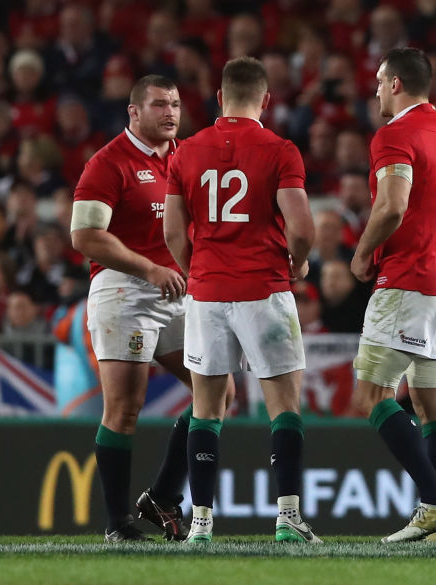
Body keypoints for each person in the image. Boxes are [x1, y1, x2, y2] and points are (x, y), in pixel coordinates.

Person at [163, 56, 319, 543]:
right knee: (284, 405)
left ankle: (202, 523)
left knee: (206, 409)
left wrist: (199, 272)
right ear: (266, 101)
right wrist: (300, 261)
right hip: (265, 289)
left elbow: (171, 232)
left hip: (207, 293)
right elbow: (303, 227)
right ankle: (288, 517)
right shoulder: (279, 149)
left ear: (219, 99)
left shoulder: (184, 152)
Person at [71, 74, 219, 542]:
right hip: (124, 291)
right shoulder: (108, 163)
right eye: (159, 104)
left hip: (176, 290)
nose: (170, 112)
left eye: (175, 103)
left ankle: (160, 496)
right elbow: (86, 237)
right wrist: (148, 269)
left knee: (217, 392)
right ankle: (118, 524)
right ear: (134, 112)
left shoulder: (186, 158)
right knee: (125, 408)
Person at [348, 47, 436, 544]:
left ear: (395, 84)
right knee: (431, 402)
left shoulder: (395, 135)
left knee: (370, 395)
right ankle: (434, 525)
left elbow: (393, 206)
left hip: (408, 280)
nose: (375, 90)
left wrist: (361, 254)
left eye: (379, 81)